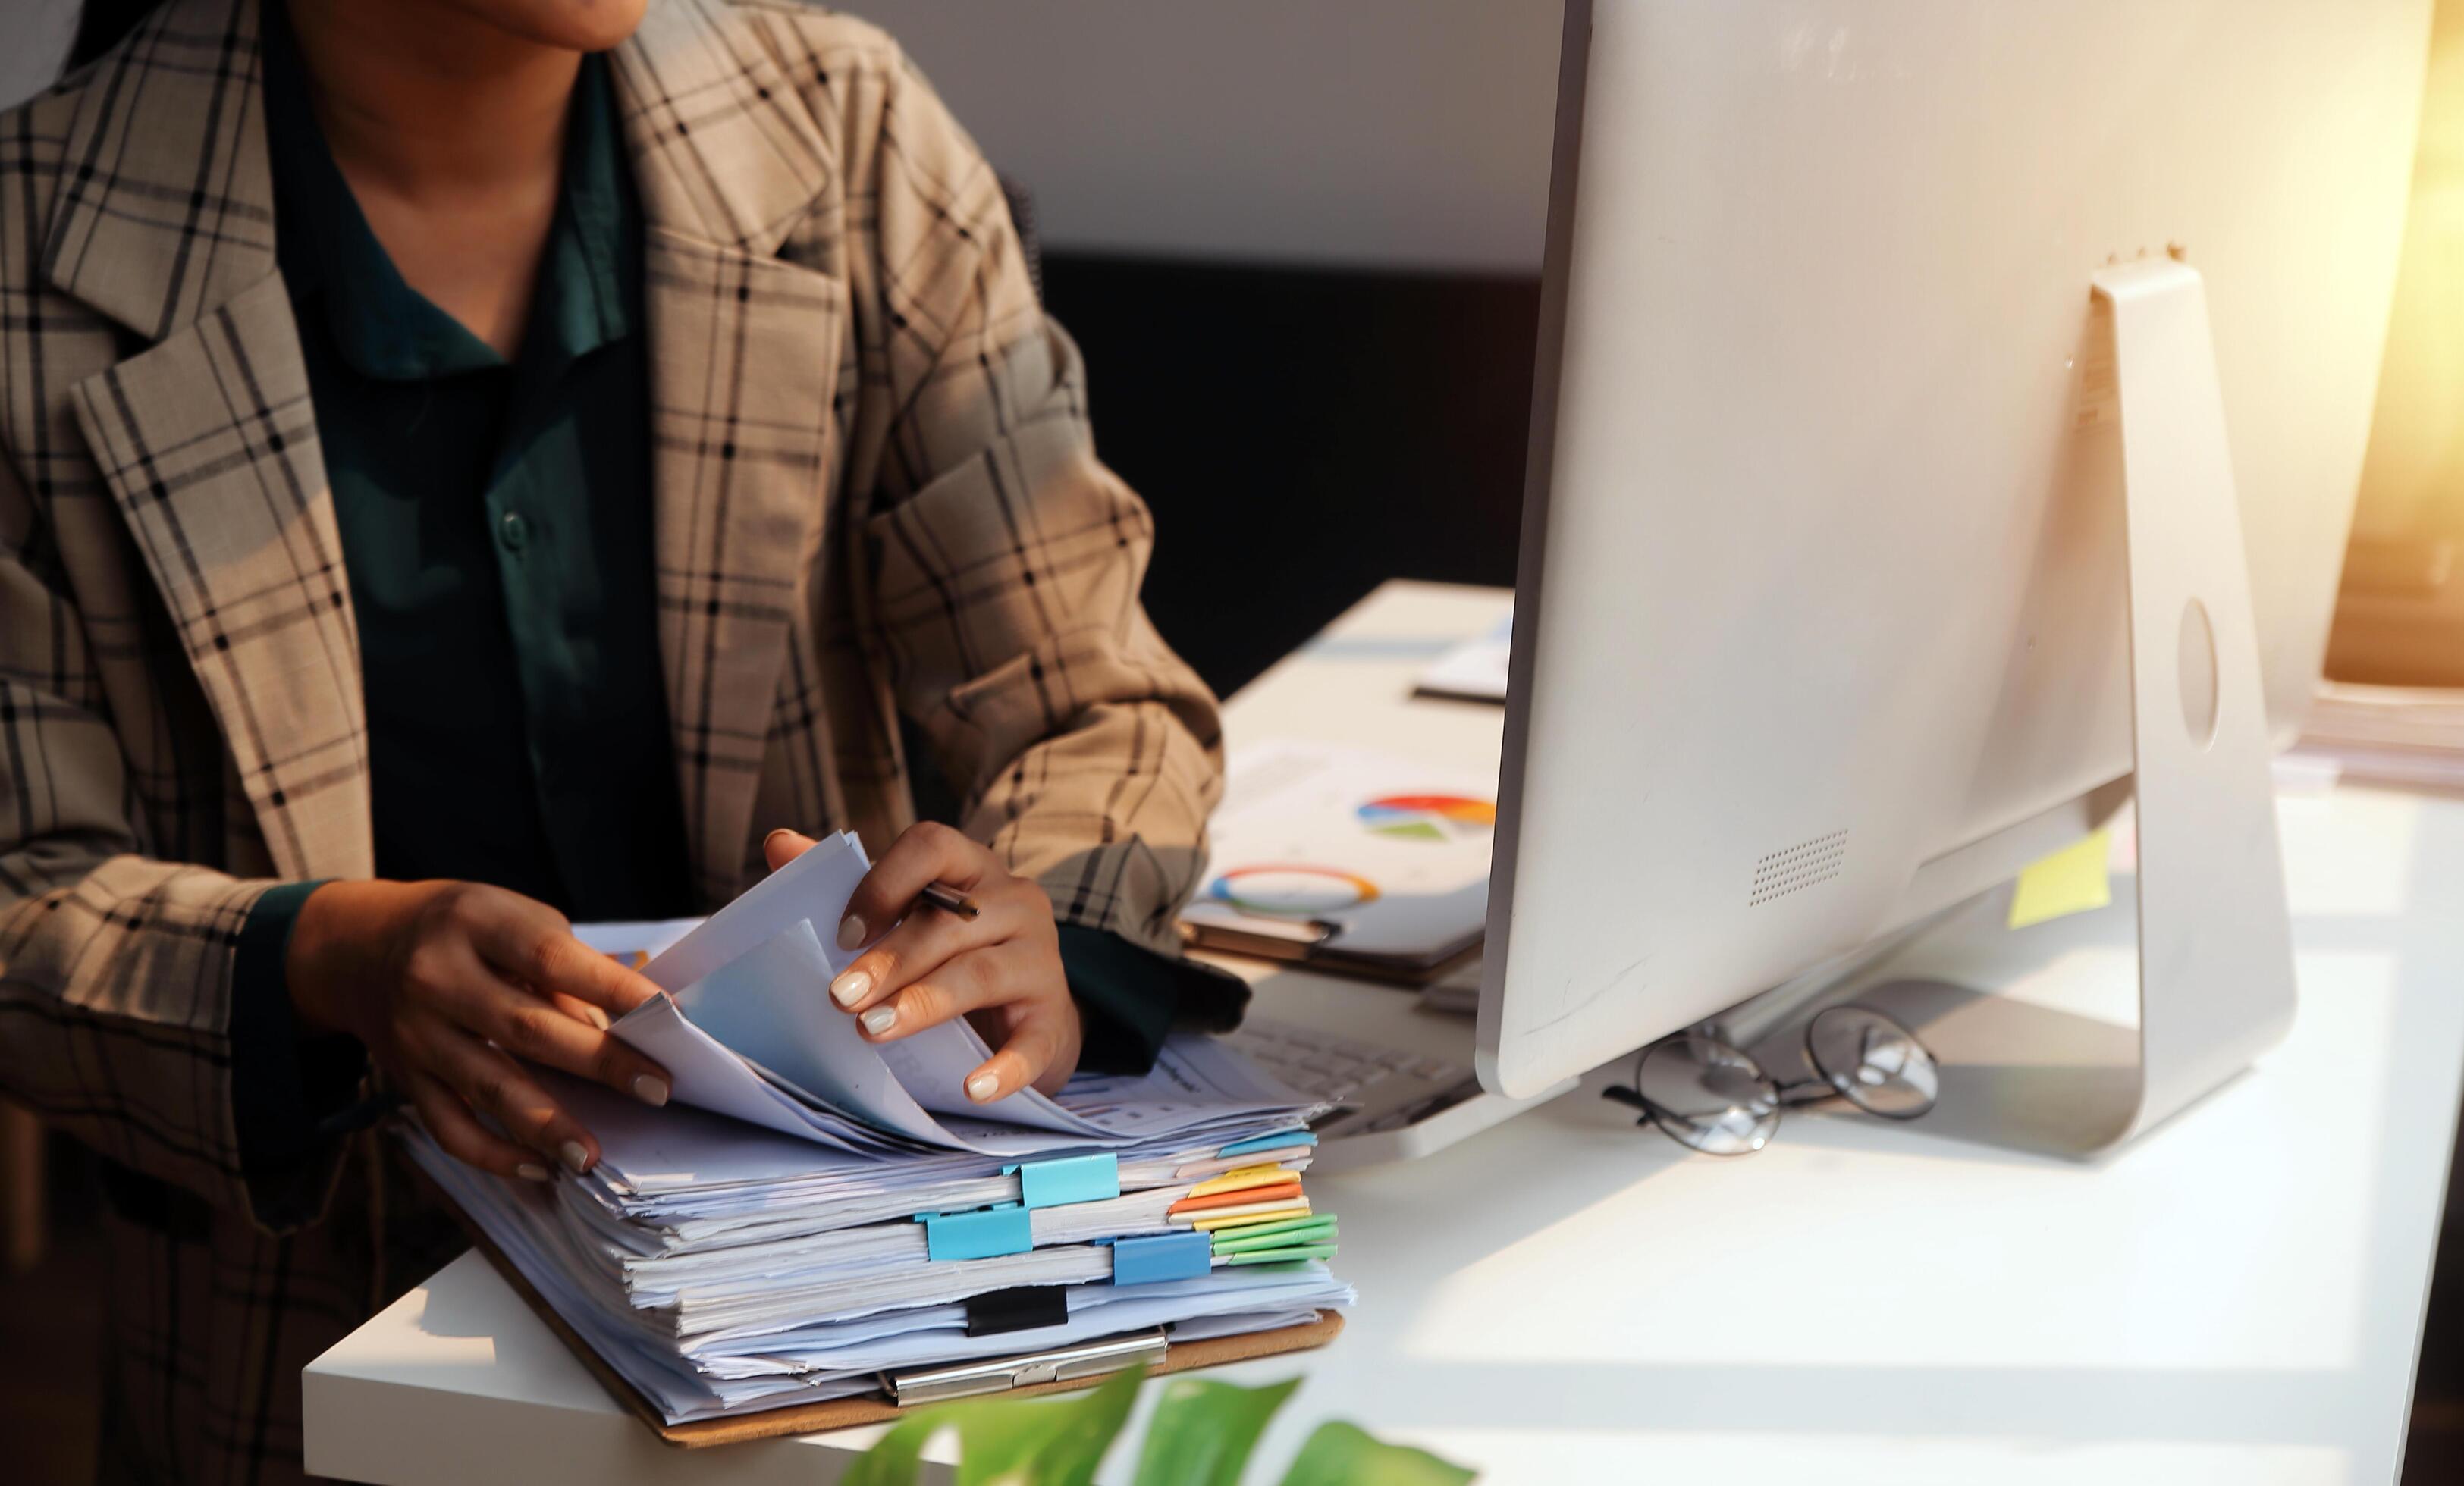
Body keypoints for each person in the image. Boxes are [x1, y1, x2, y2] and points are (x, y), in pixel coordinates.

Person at [0, 0, 1241, 1478]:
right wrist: (323, 952)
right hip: (309, 1369)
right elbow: (22, 886)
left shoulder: (846, 134)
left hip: (841, 1342)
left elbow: (1093, 693)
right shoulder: (31, 244)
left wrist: (1023, 927)